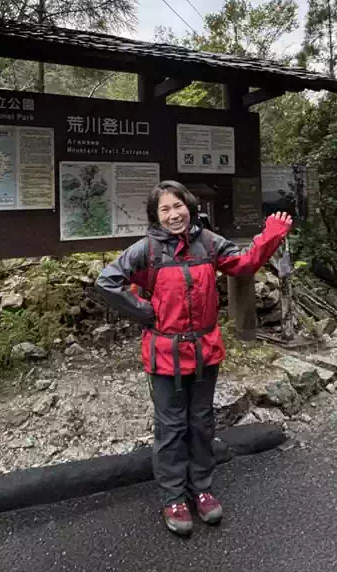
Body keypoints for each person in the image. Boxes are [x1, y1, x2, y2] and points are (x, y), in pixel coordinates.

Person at [95, 180, 292, 536]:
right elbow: (107, 282)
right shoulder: (146, 250)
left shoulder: (208, 243)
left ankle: (201, 488)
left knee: (201, 422)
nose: (174, 215)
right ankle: (173, 496)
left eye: (178, 206)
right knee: (171, 426)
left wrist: (271, 235)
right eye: (165, 209)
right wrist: (145, 312)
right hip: (164, 353)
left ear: (190, 206)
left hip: (204, 351)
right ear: (156, 216)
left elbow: (243, 265)